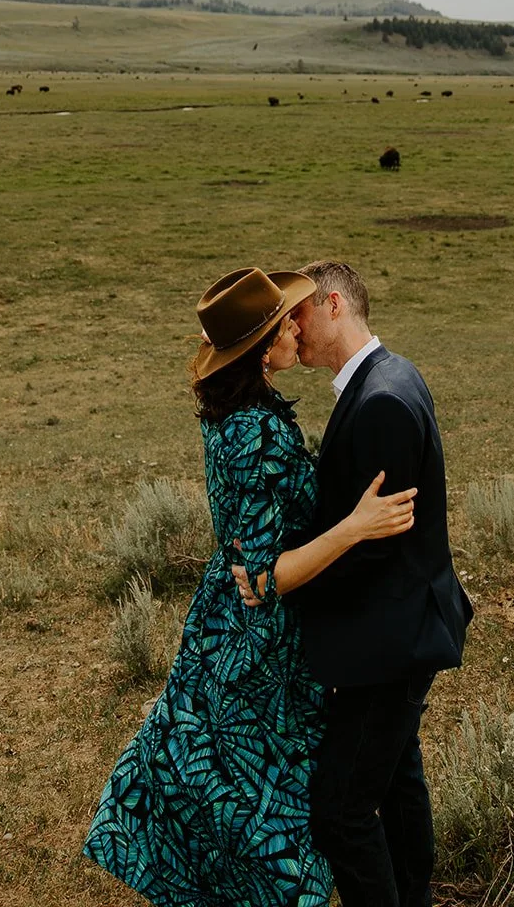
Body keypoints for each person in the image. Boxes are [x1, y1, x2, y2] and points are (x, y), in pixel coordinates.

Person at [83, 266, 417, 907]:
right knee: (264, 798)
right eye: (284, 324)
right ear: (263, 349)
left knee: (224, 777)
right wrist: (355, 526)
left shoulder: (236, 409)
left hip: (225, 620)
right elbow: (263, 579)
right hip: (257, 641)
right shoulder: (253, 432)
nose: (297, 327)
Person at [236, 259, 472, 907]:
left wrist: (280, 581)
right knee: (397, 780)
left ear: (334, 305)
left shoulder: (380, 401)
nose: (292, 327)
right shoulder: (388, 376)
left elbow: (374, 548)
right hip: (396, 629)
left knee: (339, 812)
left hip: (388, 641)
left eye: (300, 312)